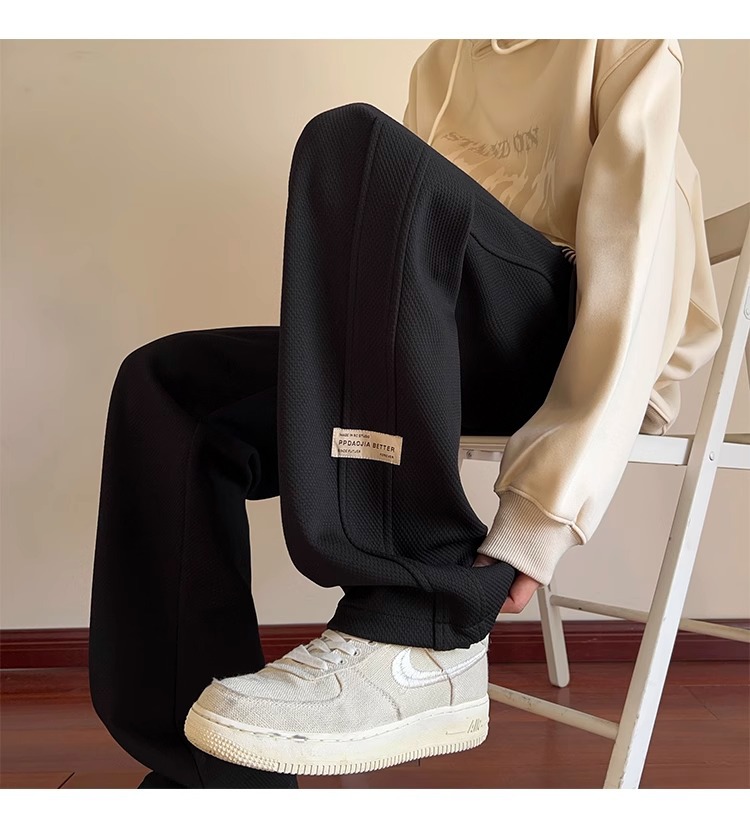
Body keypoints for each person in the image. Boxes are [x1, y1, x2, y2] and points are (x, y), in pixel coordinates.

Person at [88, 39, 722, 788]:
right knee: (170, 387)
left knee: (356, 143)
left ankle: (419, 622)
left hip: (581, 342)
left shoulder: (625, 36)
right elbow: (397, 273)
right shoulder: (445, 61)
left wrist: (540, 516)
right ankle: (214, 776)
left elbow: (635, 272)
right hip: (452, 344)